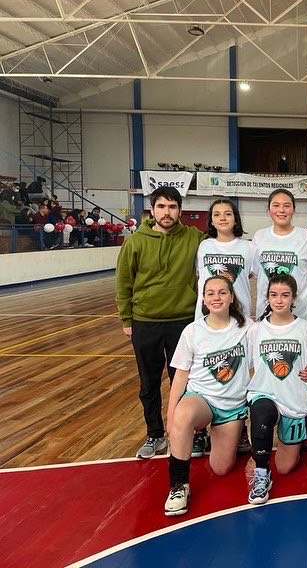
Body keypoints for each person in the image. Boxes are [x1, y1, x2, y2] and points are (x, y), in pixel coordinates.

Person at [115, 186, 204, 459]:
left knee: (188, 382)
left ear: (180, 210)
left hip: (183, 322)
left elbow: (223, 243)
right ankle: (155, 434)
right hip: (146, 322)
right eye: (162, 207)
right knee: (149, 383)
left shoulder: (194, 237)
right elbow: (123, 282)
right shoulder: (135, 242)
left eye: (172, 207)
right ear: (152, 210)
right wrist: (127, 319)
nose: (167, 212)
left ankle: (192, 432)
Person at [163, 276, 253, 516]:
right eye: (210, 293)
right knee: (183, 415)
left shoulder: (248, 328)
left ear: (231, 297)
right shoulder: (192, 331)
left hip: (232, 406)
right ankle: (179, 485)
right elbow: (181, 375)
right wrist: (171, 416)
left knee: (221, 468)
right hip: (201, 398)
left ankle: (229, 432)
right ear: (203, 299)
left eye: (222, 292)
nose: (216, 297)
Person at [245, 274, 307, 505]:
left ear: (293, 298)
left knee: (286, 467)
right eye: (274, 295)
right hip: (265, 393)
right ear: (267, 297)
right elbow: (248, 366)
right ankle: (261, 473)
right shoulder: (256, 330)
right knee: (261, 413)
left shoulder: (305, 328)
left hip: (294, 400)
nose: (279, 300)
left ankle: (302, 428)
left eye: (285, 295)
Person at [194, 198, 258, 456]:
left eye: (228, 213)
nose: (222, 218)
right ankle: (200, 430)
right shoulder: (204, 246)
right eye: (217, 214)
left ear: (235, 218)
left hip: (238, 321)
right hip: (207, 319)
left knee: (238, 372)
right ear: (211, 220)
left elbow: (254, 276)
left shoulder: (248, 248)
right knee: (202, 371)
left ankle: (240, 425)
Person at [251, 188, 307, 327]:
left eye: (287, 205)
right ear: (268, 210)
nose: (281, 210)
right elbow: (255, 272)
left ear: (294, 209)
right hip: (267, 315)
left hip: (301, 314)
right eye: (276, 205)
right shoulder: (259, 237)